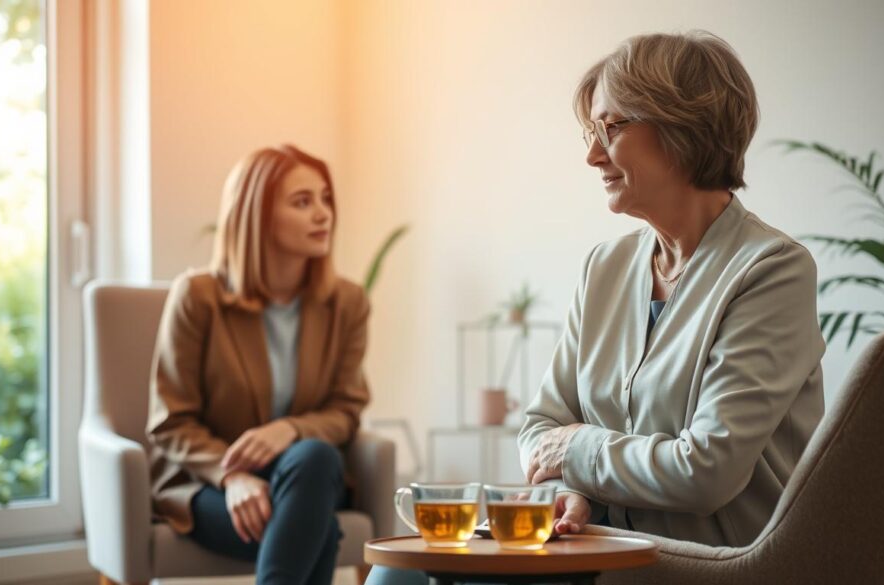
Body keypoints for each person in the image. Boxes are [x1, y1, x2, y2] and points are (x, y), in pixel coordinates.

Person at [367, 29, 824, 583]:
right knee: (399, 573)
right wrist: (569, 493)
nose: (591, 155)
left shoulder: (772, 270)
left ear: (683, 127)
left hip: (709, 564)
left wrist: (578, 451)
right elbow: (541, 428)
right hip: (595, 543)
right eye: (592, 131)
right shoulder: (605, 268)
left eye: (611, 127)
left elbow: (707, 471)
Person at [147, 145, 371, 585]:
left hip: (305, 474)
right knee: (317, 528)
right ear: (257, 214)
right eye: (302, 202)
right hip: (207, 483)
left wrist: (289, 429)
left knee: (314, 454)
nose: (323, 214)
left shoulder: (347, 303)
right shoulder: (197, 297)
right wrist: (232, 476)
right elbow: (171, 422)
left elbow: (346, 410)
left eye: (325, 199)